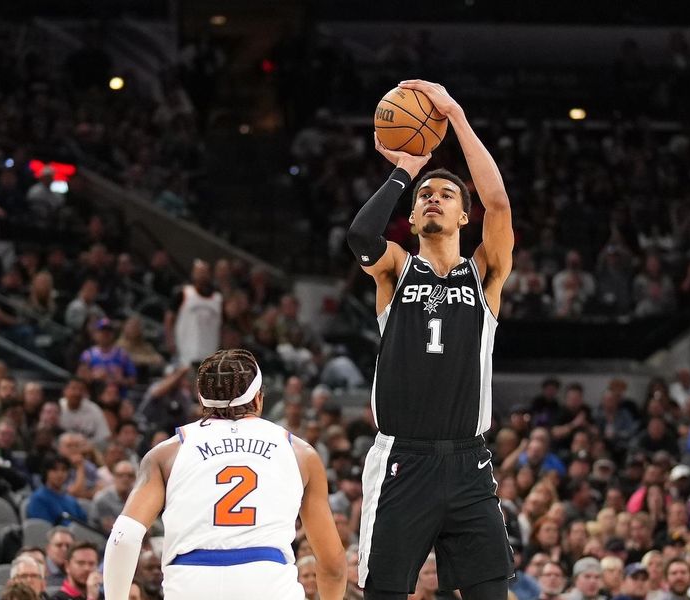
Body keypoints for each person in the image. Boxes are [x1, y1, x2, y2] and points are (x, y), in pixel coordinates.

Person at [348, 80, 514, 599]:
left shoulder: (484, 273)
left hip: (469, 460)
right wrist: (408, 168)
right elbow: (360, 236)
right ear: (413, 217)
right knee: (386, 592)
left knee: (490, 591)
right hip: (404, 459)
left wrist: (456, 118)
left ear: (465, 216)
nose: (434, 200)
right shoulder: (397, 268)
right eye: (425, 197)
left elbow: (500, 204)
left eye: (446, 195)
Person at [103, 348, 346, 600]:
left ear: (201, 400)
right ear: (258, 399)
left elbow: (124, 538)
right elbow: (333, 566)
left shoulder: (166, 453)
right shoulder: (301, 453)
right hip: (267, 582)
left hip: (191, 582)